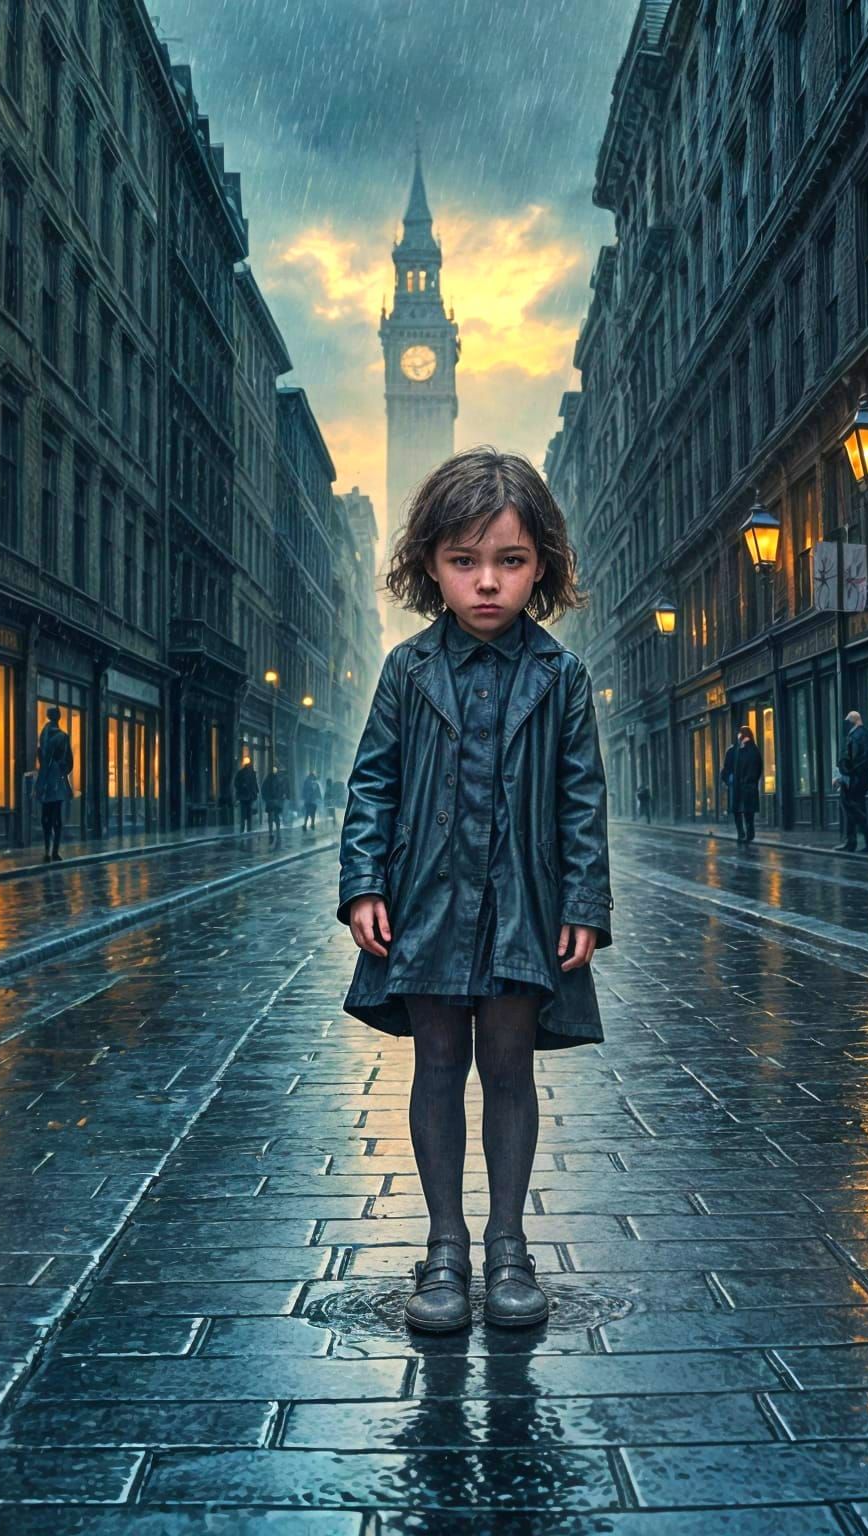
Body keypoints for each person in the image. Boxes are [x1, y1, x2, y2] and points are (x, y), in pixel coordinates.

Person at [338, 446, 613, 1336]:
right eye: (464, 562)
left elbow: (581, 795)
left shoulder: (561, 678)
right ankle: (445, 1249)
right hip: (426, 903)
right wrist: (362, 887)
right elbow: (371, 783)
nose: (487, 583)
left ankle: (507, 1248)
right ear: (430, 566)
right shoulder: (406, 673)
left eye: (510, 561)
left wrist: (584, 903)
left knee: (508, 1070)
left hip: (524, 906)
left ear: (543, 566)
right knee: (437, 1066)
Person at [33, 706, 74, 862]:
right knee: (54, 817)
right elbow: (69, 762)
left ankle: (48, 851)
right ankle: (53, 851)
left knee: (47, 818)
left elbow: (42, 758)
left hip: (47, 779)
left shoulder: (43, 736)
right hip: (55, 780)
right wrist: (62, 768)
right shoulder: (62, 736)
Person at [835, 709, 868, 853]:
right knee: (850, 808)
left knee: (853, 808)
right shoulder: (853, 734)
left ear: (853, 720)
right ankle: (852, 842)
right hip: (852, 779)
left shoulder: (863, 734)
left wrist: (852, 770)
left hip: (858, 779)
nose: (845, 724)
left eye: (847, 721)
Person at [721, 726, 764, 845]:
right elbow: (726, 768)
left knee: (747, 811)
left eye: (742, 735)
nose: (741, 738)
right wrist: (728, 779)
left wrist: (749, 780)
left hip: (745, 786)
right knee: (738, 811)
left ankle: (748, 834)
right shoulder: (734, 750)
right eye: (740, 736)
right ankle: (742, 833)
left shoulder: (752, 750)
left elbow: (756, 768)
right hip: (737, 786)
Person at [233, 758, 259, 834]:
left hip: (248, 796)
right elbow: (236, 783)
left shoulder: (251, 773)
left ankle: (247, 829)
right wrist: (242, 786)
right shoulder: (241, 773)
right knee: (245, 814)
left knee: (247, 814)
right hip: (245, 797)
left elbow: (254, 784)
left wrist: (256, 792)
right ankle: (245, 829)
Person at [261, 766, 286, 843]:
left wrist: (266, 799)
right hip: (275, 801)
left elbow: (263, 791)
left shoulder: (267, 781)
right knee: (276, 817)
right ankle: (277, 831)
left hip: (270, 802)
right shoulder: (277, 780)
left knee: (271, 818)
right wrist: (280, 799)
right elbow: (281, 791)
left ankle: (271, 832)